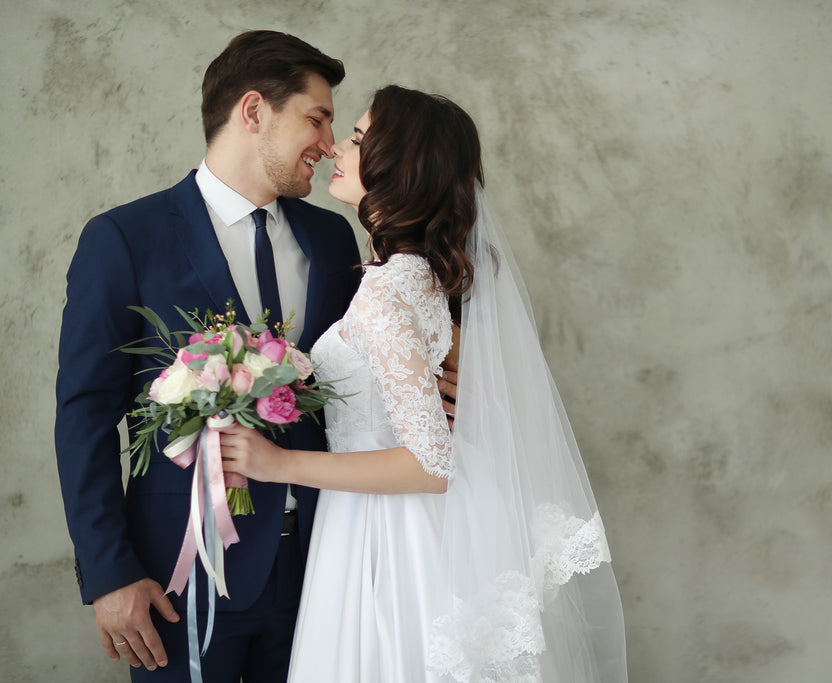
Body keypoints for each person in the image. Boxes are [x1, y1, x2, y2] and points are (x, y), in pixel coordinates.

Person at [54, 32, 459, 682]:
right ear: (253, 112)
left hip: (331, 567)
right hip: (183, 572)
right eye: (318, 118)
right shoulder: (125, 239)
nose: (329, 143)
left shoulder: (333, 236)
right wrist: (109, 571)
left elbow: (378, 363)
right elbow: (84, 417)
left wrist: (453, 366)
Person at [220, 85, 628, 681]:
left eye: (357, 138)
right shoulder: (416, 276)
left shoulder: (389, 291)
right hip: (387, 523)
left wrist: (277, 466)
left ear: (399, 165)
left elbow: (429, 466)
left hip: (388, 535)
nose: (338, 149)